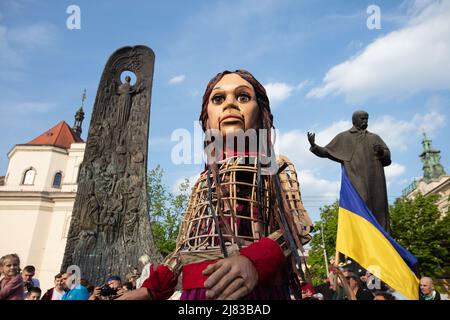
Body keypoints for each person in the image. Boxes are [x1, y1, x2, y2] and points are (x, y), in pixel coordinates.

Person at [118, 69, 312, 300]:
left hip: (253, 291)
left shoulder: (276, 167)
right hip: (195, 295)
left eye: (242, 97)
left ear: (261, 112)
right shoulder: (204, 180)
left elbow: (297, 225)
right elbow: (185, 248)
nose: (230, 104)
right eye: (218, 99)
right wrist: (151, 289)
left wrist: (254, 260)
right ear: (206, 118)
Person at [307, 111, 391, 232]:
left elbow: (387, 157)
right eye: (362, 119)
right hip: (356, 179)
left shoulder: (374, 138)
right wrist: (314, 145)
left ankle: (382, 239)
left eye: (366, 119)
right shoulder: (344, 137)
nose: (365, 121)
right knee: (360, 208)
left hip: (376, 180)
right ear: (354, 120)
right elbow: (327, 151)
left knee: (379, 211)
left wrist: (381, 152)